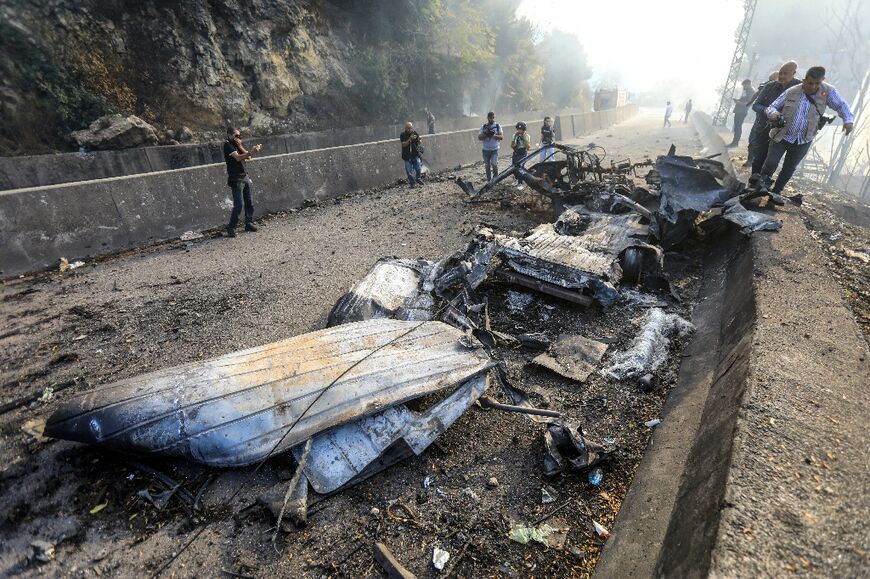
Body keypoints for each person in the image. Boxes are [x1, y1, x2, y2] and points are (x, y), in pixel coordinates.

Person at [755, 66, 854, 196]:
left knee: (789, 168)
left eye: (817, 83)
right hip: (782, 136)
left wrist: (848, 120)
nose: (813, 87)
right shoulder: (792, 91)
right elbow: (773, 106)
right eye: (810, 83)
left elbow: (841, 105)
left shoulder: (828, 91)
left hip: (804, 139)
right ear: (803, 80)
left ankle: (776, 192)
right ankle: (762, 187)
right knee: (771, 162)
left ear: (822, 80)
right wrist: (773, 113)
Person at [747, 61, 800, 175]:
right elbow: (756, 105)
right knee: (759, 156)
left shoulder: (800, 89)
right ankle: (753, 182)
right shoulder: (770, 86)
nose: (781, 76)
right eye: (780, 73)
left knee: (772, 161)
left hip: (784, 131)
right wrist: (767, 111)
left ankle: (764, 183)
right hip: (764, 127)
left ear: (794, 73)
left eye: (785, 74)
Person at [223, 127, 262, 238]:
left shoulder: (237, 144)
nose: (238, 138)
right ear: (230, 135)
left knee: (249, 202)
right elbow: (238, 158)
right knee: (239, 205)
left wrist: (253, 150)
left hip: (244, 176)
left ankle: (248, 223)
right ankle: (231, 228)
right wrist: (251, 151)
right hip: (236, 178)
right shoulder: (227, 145)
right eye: (236, 136)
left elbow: (248, 156)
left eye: (239, 136)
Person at [728, 79, 755, 147]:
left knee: (738, 126)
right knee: (736, 126)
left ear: (748, 84)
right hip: (738, 110)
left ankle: (735, 143)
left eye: (744, 85)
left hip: (742, 111)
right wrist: (737, 100)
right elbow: (743, 99)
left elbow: (749, 103)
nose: (743, 87)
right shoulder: (746, 91)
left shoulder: (751, 92)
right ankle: (734, 142)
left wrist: (739, 103)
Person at [478, 111, 503, 182]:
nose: (491, 119)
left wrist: (493, 135)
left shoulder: (497, 126)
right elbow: (479, 137)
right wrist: (485, 133)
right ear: (488, 118)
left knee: (494, 164)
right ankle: (489, 180)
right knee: (487, 165)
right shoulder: (484, 127)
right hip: (486, 150)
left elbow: (501, 137)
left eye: (493, 118)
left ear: (494, 117)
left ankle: (495, 179)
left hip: (494, 149)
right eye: (490, 118)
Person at [399, 122, 424, 187]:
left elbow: (420, 141)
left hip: (415, 155)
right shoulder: (402, 135)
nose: (410, 129)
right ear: (405, 128)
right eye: (408, 128)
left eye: (411, 128)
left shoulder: (415, 133)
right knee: (409, 172)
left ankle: (418, 178)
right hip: (407, 156)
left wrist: (418, 139)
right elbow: (404, 144)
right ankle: (412, 183)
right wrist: (410, 139)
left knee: (418, 169)